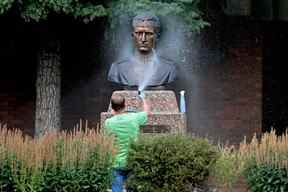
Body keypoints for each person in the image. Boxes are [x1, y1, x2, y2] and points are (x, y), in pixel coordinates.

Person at [107, 13, 177, 88]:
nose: (143, 39)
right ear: (133, 35)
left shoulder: (169, 69)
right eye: (139, 33)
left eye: (148, 34)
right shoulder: (118, 69)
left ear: (157, 36)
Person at [104, 93, 150, 192]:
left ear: (112, 108)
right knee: (132, 189)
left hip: (116, 162)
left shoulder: (108, 123)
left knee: (116, 189)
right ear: (125, 106)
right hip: (132, 160)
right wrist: (143, 98)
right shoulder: (134, 118)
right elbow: (146, 112)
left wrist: (114, 115)